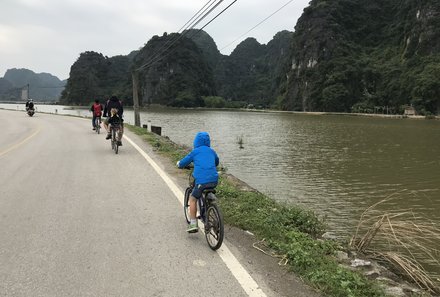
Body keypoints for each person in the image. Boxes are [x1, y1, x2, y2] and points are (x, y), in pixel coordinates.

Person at [177, 132, 219, 233]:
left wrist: (179, 164)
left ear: (196, 141)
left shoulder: (195, 151)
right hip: (214, 180)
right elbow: (216, 162)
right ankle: (210, 204)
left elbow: (184, 161)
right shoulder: (212, 151)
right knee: (206, 189)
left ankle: (193, 224)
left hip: (201, 182)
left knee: (193, 199)